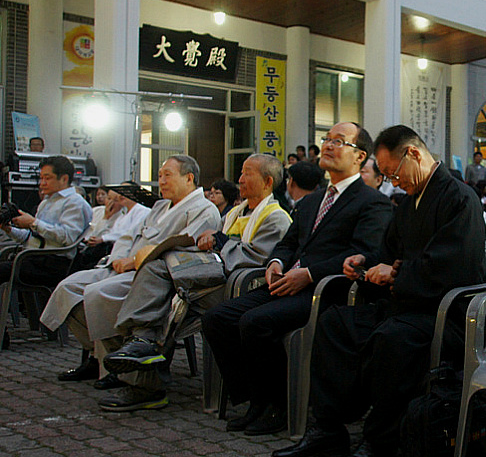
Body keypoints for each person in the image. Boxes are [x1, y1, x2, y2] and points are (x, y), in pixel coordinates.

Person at [271, 125, 485, 457]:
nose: (393, 182)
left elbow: (453, 268)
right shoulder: (408, 203)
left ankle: (379, 441)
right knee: (335, 323)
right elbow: (386, 254)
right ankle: (327, 429)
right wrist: (364, 265)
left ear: (413, 154)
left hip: (444, 313)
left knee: (392, 340)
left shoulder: (459, 198)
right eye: (386, 176)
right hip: (403, 304)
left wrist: (396, 274)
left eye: (393, 173)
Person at [202, 123, 392, 436]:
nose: (329, 146)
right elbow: (289, 243)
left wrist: (309, 274)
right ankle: (256, 398)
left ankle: (279, 405)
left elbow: (364, 253)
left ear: (360, 156)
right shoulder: (312, 201)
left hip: (326, 291)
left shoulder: (372, 202)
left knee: (255, 323)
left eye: (338, 142)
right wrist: (276, 263)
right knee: (217, 319)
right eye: (326, 139)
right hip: (287, 284)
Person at [96, 154, 293, 412]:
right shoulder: (237, 212)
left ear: (267, 182)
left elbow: (256, 258)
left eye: (247, 174)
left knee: (166, 286)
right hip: (212, 277)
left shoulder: (276, 217)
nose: (240, 179)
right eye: (241, 173)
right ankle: (142, 366)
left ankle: (144, 373)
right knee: (162, 282)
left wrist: (219, 241)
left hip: (237, 287)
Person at [40, 156, 220, 401]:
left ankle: (127, 370)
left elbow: (182, 250)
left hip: (154, 275)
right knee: (68, 288)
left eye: (168, 175)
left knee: (97, 293)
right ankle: (100, 356)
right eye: (159, 175)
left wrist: (135, 261)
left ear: (189, 178)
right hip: (124, 265)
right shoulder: (159, 206)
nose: (161, 181)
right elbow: (130, 236)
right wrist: (119, 258)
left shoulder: (204, 209)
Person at [0, 155, 92, 350]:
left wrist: (33, 222)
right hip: (34, 258)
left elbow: (67, 238)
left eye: (47, 178)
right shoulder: (47, 202)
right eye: (41, 177)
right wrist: (9, 229)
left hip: (55, 264)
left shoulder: (75, 203)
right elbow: (33, 238)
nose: (42, 183)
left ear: (64, 179)